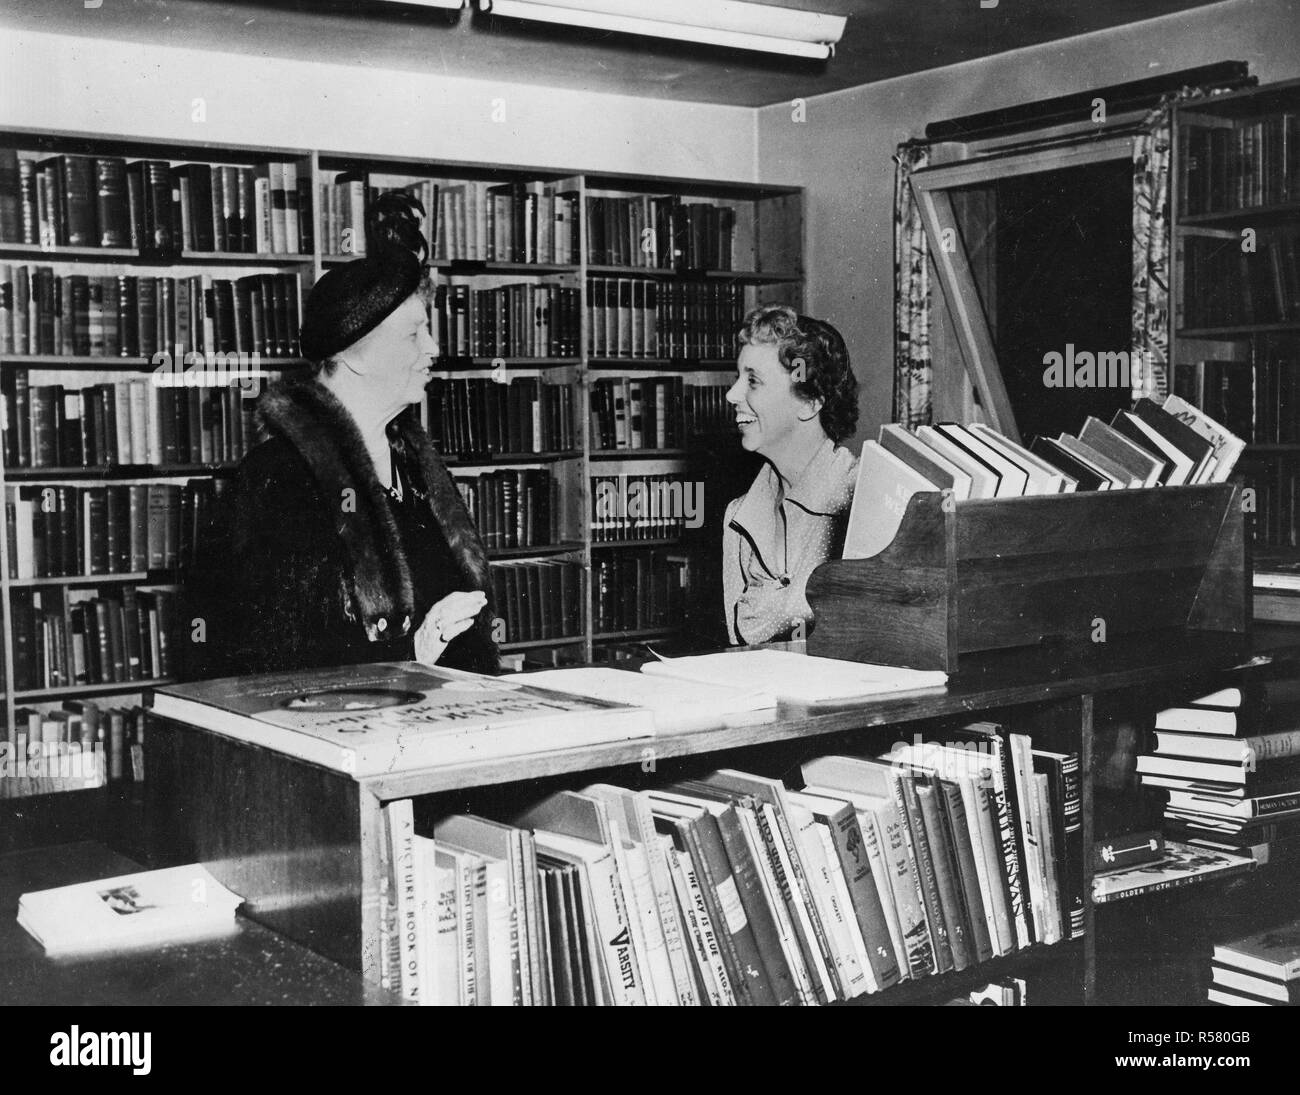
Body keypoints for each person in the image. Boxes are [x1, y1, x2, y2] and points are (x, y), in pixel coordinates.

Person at [186, 192, 497, 678]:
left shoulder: (414, 467)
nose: (433, 349)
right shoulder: (279, 482)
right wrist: (404, 656)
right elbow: (264, 661)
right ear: (354, 352)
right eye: (415, 334)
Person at [722, 304, 859, 645]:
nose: (731, 395)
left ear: (810, 403)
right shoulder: (739, 518)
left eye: (752, 380)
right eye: (738, 378)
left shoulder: (864, 501)